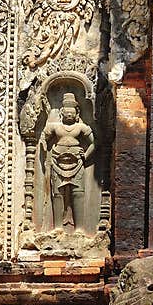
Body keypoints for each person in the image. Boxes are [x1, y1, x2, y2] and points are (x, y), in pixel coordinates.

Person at [39, 92, 94, 231]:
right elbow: (43, 137)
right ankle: (57, 228)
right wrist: (44, 145)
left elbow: (95, 142)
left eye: (72, 112)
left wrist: (85, 155)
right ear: (62, 112)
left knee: (78, 193)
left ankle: (80, 228)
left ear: (77, 113)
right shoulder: (55, 126)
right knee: (58, 193)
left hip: (77, 163)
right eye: (67, 112)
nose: (69, 115)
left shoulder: (81, 127)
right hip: (58, 162)